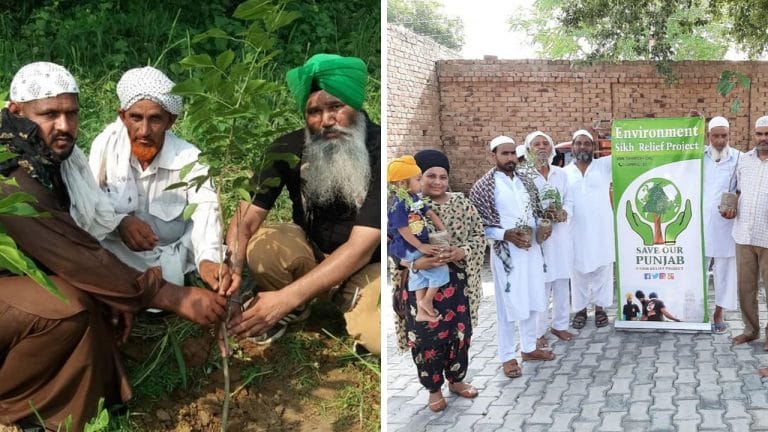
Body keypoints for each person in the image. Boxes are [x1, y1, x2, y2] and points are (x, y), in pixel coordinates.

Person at [0, 62, 226, 431]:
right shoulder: (9, 170)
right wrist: (171, 296)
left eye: (71, 113)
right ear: (16, 112)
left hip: (27, 272)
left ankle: (73, 407)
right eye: (50, 114)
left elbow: (82, 228)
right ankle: (16, 401)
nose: (63, 125)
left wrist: (115, 293)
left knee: (91, 301)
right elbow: (69, 249)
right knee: (68, 307)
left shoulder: (55, 156)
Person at [225, 54, 380, 354]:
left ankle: (324, 300)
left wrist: (285, 298)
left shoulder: (380, 150)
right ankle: (298, 305)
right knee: (265, 244)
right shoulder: (287, 148)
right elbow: (245, 220)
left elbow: (361, 248)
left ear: (356, 105)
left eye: (336, 106)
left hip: (365, 265)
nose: (326, 121)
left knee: (377, 338)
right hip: (310, 252)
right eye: (314, 112)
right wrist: (231, 282)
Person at [88, 66, 229, 293]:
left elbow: (206, 208)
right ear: (123, 117)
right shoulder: (105, 149)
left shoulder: (188, 158)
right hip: (118, 248)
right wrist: (120, 222)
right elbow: (90, 201)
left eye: (155, 119)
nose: (144, 131)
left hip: (172, 253)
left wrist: (208, 259)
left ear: (170, 122)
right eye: (136, 118)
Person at [390, 148, 482, 412]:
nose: (438, 182)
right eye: (430, 176)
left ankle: (457, 379)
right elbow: (388, 243)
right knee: (426, 338)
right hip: (419, 282)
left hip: (457, 284)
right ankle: (433, 389)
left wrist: (461, 251)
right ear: (416, 177)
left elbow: (478, 236)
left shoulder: (462, 204)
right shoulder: (403, 206)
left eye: (443, 176)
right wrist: (413, 262)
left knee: (459, 334)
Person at [470, 135, 552, 382]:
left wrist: (542, 227)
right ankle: (507, 356)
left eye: (512, 154)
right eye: (504, 154)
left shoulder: (525, 181)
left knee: (531, 298)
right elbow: (479, 226)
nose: (509, 158)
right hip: (507, 253)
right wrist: (506, 234)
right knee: (507, 306)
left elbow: (536, 213)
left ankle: (528, 348)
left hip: (531, 250)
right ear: (493, 155)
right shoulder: (483, 187)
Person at [525, 131, 575, 345]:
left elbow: (570, 201)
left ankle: (560, 326)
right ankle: (537, 333)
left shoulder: (560, 174)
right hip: (539, 240)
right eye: (536, 144)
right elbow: (522, 208)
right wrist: (540, 220)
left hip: (561, 237)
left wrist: (564, 212)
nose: (542, 147)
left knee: (562, 283)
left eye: (546, 143)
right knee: (541, 287)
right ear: (528, 150)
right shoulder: (522, 176)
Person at [387, 155, 449, 322]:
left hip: (416, 246)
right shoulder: (398, 204)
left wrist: (442, 229)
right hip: (409, 248)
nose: (421, 183)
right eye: (418, 179)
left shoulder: (413, 198)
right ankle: (426, 301)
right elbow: (403, 229)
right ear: (401, 184)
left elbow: (428, 212)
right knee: (440, 269)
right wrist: (421, 246)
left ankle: (421, 311)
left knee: (419, 276)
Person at [725, 115, 768, 349]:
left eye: (767, 134)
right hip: (743, 234)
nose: (763, 138)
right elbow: (737, 190)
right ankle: (751, 330)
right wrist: (729, 208)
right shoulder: (745, 161)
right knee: (745, 286)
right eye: (759, 134)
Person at [564, 129, 614, 329]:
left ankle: (601, 308)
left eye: (587, 143)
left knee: (603, 268)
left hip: (601, 229)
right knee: (577, 271)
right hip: (575, 230)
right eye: (579, 143)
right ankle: (581, 310)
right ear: (572, 147)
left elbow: (626, 150)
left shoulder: (604, 166)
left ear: (594, 147)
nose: (583, 146)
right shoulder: (564, 172)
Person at [702, 115, 740, 334]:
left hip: (726, 224)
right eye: (715, 136)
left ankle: (719, 312)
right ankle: (696, 311)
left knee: (725, 270)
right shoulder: (698, 157)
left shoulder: (738, 158)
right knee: (698, 270)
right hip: (699, 223)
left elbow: (743, 188)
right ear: (709, 136)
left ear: (729, 136)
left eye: (723, 136)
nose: (719, 141)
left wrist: (736, 204)